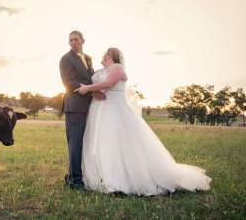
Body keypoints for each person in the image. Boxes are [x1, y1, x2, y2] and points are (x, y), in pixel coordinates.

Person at [76, 47, 212, 195]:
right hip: (98, 111)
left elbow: (108, 84)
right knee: (104, 144)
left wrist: (88, 88)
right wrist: (93, 91)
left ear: (110, 56)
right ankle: (102, 177)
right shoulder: (99, 72)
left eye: (105, 54)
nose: (102, 56)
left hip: (115, 111)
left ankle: (121, 180)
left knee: (118, 142)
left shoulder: (117, 68)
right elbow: (100, 87)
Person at [59, 30, 105, 189]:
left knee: (85, 142)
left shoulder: (88, 58)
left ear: (82, 40)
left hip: (90, 105)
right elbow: (68, 82)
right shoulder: (66, 59)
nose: (73, 42)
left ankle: (71, 176)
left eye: (76, 39)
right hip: (75, 106)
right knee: (76, 143)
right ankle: (76, 181)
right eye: (70, 40)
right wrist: (92, 90)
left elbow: (90, 78)